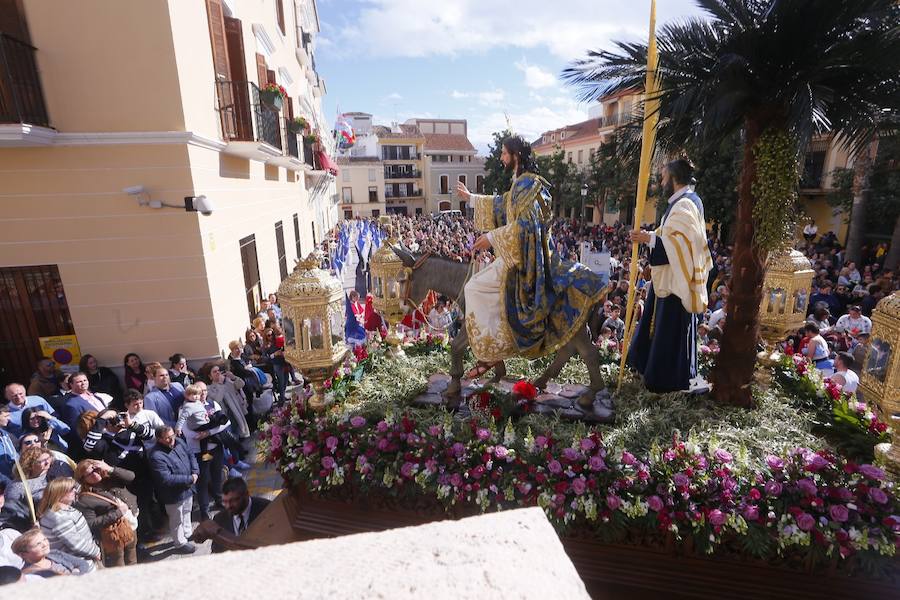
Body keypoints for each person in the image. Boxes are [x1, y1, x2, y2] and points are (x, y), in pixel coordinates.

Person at [457, 135, 606, 376]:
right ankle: (492, 351)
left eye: (504, 153)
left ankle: (491, 353)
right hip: (516, 253)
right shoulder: (520, 183)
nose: (501, 157)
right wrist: (472, 198)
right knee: (477, 289)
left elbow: (528, 225)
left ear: (516, 156)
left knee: (473, 288)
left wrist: (492, 238)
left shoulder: (529, 184)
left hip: (528, 259)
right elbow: (501, 204)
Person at [627, 159, 713, 393]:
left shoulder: (685, 205)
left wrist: (649, 239)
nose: (662, 181)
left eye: (664, 177)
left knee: (668, 333)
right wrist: (652, 235)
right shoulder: (682, 202)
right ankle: (651, 372)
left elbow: (681, 246)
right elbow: (673, 235)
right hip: (669, 280)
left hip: (677, 285)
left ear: (674, 178)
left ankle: (666, 381)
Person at [73, 461, 137, 567]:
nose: (96, 473)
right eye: (91, 473)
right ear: (83, 479)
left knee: (132, 558)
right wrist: (117, 513)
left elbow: (131, 476)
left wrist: (109, 468)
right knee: (118, 565)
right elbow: (91, 523)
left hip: (130, 526)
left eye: (96, 469)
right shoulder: (85, 498)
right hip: (113, 535)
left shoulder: (111, 478)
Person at [148, 426, 198, 554]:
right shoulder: (156, 456)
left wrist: (195, 472)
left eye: (172, 436)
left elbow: (191, 455)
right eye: (167, 438)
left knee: (187, 511)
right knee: (176, 519)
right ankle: (180, 543)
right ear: (159, 439)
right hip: (173, 494)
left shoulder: (179, 442)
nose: (171, 440)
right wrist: (190, 479)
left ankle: (187, 532)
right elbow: (166, 479)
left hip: (188, 487)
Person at [37, 477, 101, 565]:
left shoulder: (65, 510)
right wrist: (96, 552)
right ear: (59, 494)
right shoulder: (59, 517)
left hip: (84, 556)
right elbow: (76, 544)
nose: (75, 491)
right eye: (71, 489)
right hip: (78, 562)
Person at [209, 477, 271, 553]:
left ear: (246, 495)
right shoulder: (219, 519)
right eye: (225, 501)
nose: (228, 506)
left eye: (233, 500)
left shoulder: (267, 509)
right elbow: (216, 550)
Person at [11, 528, 93, 577]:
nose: (45, 544)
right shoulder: (30, 574)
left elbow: (83, 563)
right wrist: (76, 572)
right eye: (38, 544)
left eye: (44, 539)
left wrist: (76, 575)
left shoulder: (55, 554)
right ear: (24, 554)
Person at [59, 373, 111, 449]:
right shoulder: (71, 405)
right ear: (71, 384)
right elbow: (77, 431)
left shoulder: (95, 396)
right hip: (95, 442)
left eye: (85, 380)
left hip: (109, 435)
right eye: (79, 382)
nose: (83, 383)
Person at [205, 364, 251, 451]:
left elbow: (241, 384)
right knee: (230, 435)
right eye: (214, 372)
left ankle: (240, 450)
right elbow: (218, 398)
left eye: (218, 370)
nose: (218, 373)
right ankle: (238, 454)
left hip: (235, 411)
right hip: (224, 415)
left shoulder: (227, 381)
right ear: (210, 376)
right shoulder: (209, 388)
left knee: (238, 431)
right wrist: (220, 384)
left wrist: (233, 377)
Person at [0, 406, 19, 483]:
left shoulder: (6, 435)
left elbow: (14, 455)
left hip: (14, 477)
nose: (9, 419)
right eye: (5, 416)